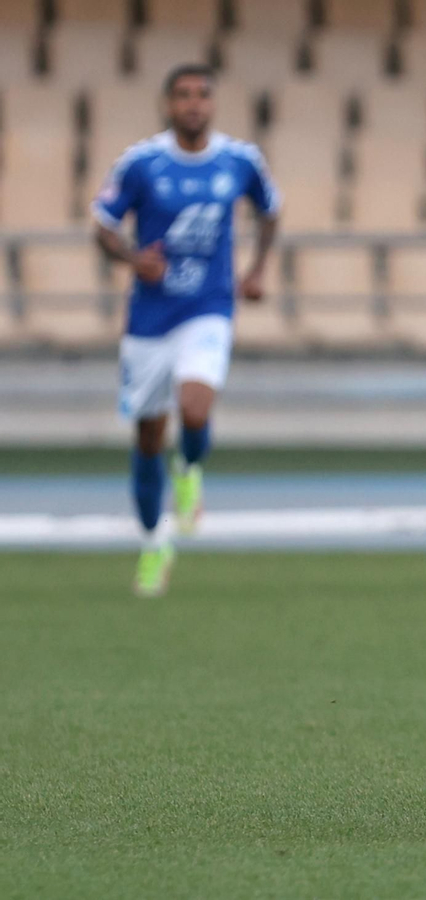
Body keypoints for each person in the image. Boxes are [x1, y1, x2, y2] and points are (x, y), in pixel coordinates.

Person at [91, 63, 280, 597]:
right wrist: (133, 258)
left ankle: (190, 467)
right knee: (148, 437)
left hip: (209, 307)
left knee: (195, 408)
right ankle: (154, 541)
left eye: (202, 95)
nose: (193, 104)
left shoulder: (239, 161)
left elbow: (270, 211)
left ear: (212, 104)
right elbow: (103, 226)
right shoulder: (142, 163)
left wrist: (258, 269)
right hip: (150, 321)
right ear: (168, 104)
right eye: (183, 95)